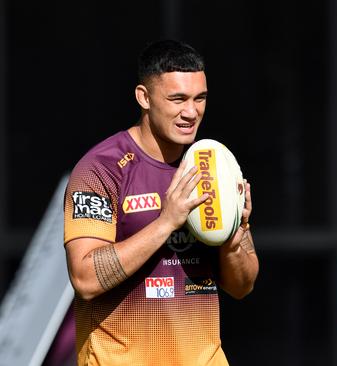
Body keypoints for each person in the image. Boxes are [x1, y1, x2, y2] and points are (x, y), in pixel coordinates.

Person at [63, 40, 259, 365]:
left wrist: (234, 236)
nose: (191, 112)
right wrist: (167, 221)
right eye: (177, 99)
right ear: (144, 97)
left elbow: (243, 286)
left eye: (200, 99)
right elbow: (85, 278)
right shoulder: (100, 168)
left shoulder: (210, 166)